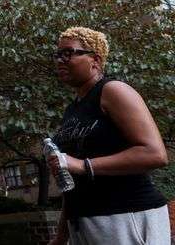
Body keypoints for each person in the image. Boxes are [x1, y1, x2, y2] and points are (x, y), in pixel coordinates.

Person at [48, 27, 170, 245]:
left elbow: (155, 154)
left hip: (126, 214)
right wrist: (61, 236)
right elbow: (71, 179)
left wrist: (83, 165)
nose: (60, 60)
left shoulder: (113, 91)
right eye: (57, 55)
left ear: (95, 59)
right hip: (83, 222)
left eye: (68, 53)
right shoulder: (72, 110)